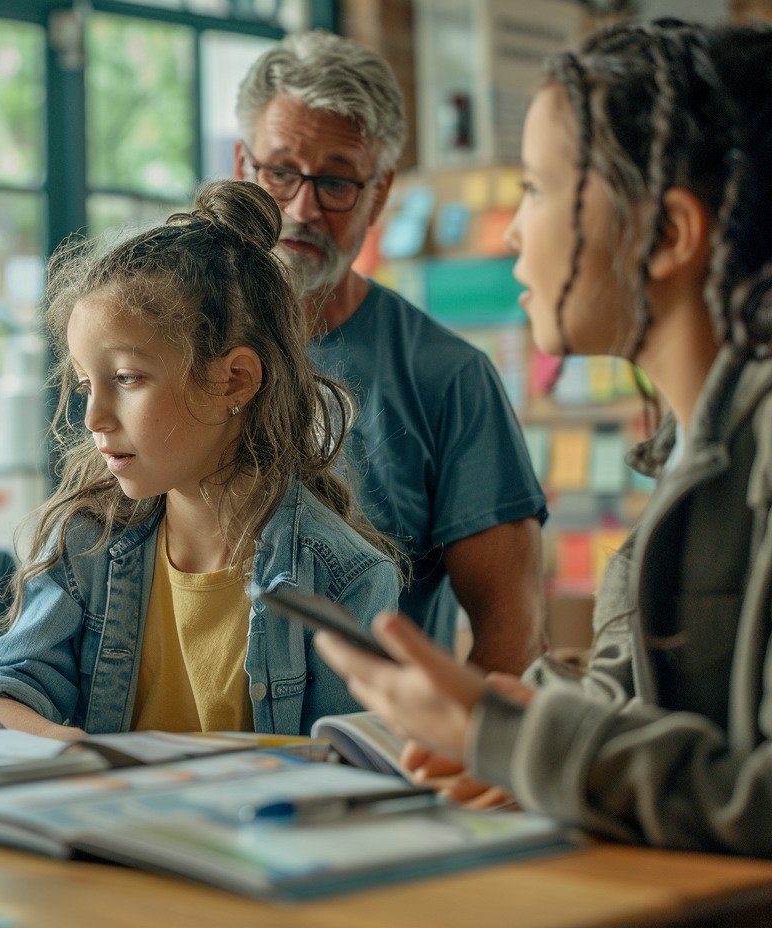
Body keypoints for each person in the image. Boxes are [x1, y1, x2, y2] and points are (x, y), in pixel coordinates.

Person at [317, 19, 772, 854]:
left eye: (535, 187)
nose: (516, 233)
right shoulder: (690, 451)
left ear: (668, 234)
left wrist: (516, 738)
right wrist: (515, 723)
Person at [0, 180, 400, 739]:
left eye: (126, 379)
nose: (93, 418)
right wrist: (85, 759)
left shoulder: (345, 578)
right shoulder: (85, 542)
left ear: (234, 379)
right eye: (87, 383)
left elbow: (347, 771)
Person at [233, 32, 548, 674]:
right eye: (281, 171)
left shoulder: (449, 378)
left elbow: (511, 635)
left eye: (338, 182)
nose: (302, 207)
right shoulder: (179, 343)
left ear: (379, 194)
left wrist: (463, 758)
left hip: (374, 753)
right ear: (243, 167)